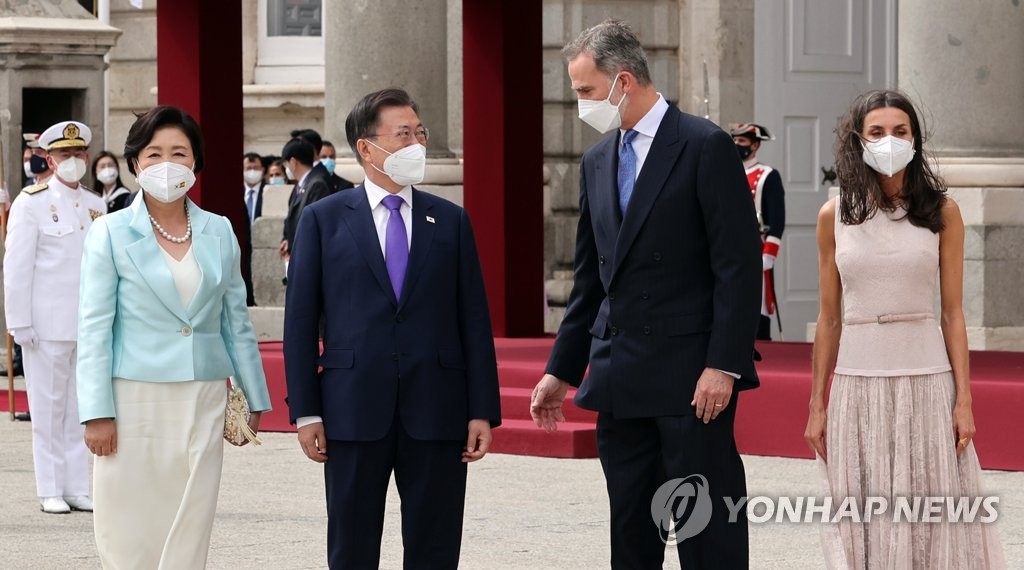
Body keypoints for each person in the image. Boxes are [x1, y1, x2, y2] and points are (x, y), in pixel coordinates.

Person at [529, 20, 762, 568]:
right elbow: (591, 280)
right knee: (631, 534)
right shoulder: (596, 161)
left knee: (708, 535)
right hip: (620, 378)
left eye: (586, 91)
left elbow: (738, 267)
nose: (580, 103)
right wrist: (561, 371)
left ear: (624, 81)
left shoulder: (705, 145)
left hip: (692, 380)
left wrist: (723, 365)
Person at [283, 87, 501, 568]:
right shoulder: (323, 220)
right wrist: (305, 412)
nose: (417, 145)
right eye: (404, 135)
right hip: (352, 409)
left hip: (438, 408)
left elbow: (473, 320)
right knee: (353, 544)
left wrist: (482, 409)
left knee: (435, 545)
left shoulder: (450, 220)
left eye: (420, 133)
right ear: (366, 148)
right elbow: (299, 322)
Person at [804, 90, 1005, 568]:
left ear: (915, 140)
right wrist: (817, 404)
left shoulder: (943, 213)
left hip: (926, 379)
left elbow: (953, 314)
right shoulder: (834, 215)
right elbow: (829, 317)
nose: (889, 140)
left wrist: (964, 398)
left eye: (900, 131)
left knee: (931, 512)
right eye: (877, 131)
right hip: (856, 382)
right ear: (858, 139)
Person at [76, 105, 272, 568]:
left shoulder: (220, 230)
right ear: (136, 163)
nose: (168, 163)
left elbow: (235, 322)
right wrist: (96, 412)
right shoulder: (108, 233)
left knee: (191, 518)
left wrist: (254, 398)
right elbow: (94, 328)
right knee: (130, 525)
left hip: (202, 398)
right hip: (133, 399)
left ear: (195, 163)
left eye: (179, 153)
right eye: (155, 153)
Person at [3, 121, 107, 514]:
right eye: (65, 155)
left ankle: (77, 486)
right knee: (47, 408)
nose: (74, 161)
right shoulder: (32, 202)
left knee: (82, 409)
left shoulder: (96, 205)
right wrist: (19, 321)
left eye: (79, 154)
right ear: (49, 158)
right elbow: (16, 266)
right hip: (45, 324)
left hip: (89, 323)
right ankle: (49, 487)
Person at [730, 123, 786, 340]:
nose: (737, 145)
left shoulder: (768, 176)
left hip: (756, 249)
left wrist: (769, 255)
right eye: (734, 141)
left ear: (755, 146)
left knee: (757, 307)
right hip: (728, 249)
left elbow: (777, 221)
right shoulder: (726, 172)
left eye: (742, 142)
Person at [278, 138, 330, 263]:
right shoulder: (300, 185)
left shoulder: (317, 185)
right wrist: (287, 240)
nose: (286, 169)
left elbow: (314, 228)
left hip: (307, 259)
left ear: (293, 162)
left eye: (286, 165)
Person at [292, 128, 354, 194]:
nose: (328, 160)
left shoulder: (345, 186)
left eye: (331, 157)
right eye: (324, 157)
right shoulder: (303, 183)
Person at [242, 152, 265, 306]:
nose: (252, 171)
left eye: (255, 168)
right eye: (248, 168)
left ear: (262, 169)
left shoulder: (268, 192)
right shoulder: (235, 192)